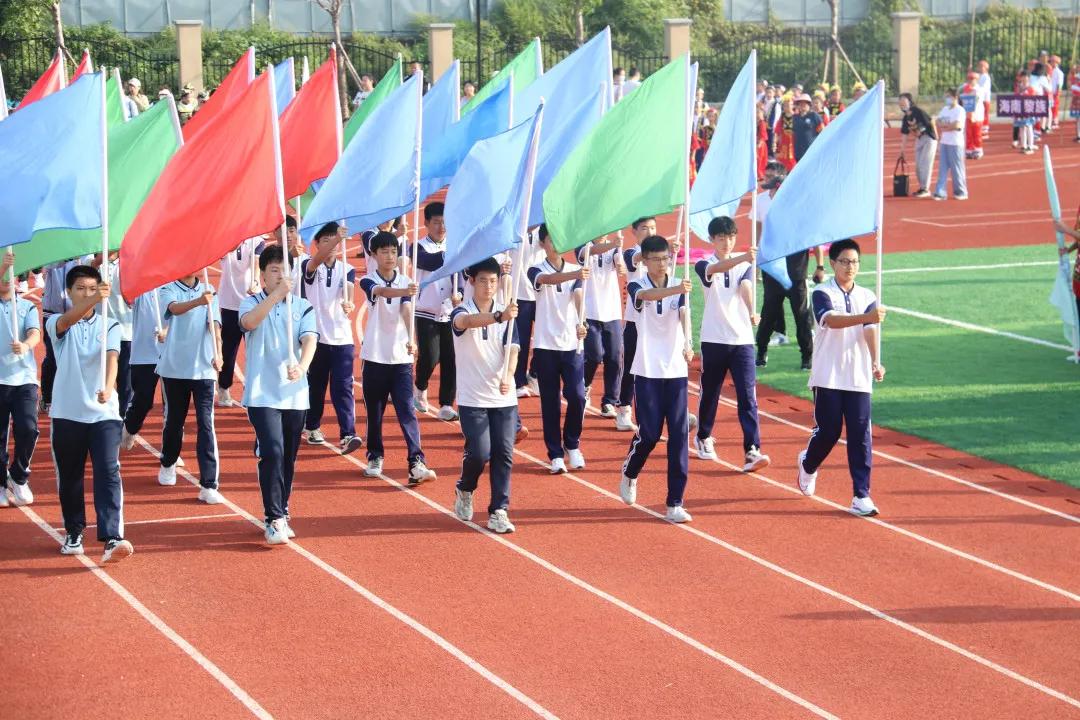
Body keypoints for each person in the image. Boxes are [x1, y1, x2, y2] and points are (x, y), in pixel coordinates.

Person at [47, 265, 132, 563]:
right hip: (67, 412)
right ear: (68, 293)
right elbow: (70, 318)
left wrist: (109, 388)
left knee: (108, 470)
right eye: (80, 288)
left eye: (92, 288)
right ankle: (74, 531)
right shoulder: (57, 322)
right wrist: (95, 300)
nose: (86, 293)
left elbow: (113, 358)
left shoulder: (110, 325)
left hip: (103, 413)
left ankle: (112, 537)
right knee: (70, 477)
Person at [797, 239, 886, 517]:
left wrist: (875, 360)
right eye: (845, 261)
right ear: (833, 263)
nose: (851, 267)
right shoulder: (822, 292)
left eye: (855, 262)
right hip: (828, 374)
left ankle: (861, 494)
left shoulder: (868, 295)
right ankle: (808, 464)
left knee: (861, 435)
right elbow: (831, 321)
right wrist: (866, 316)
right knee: (830, 431)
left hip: (858, 376)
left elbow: (870, 329)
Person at [239, 246, 318, 545]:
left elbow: (309, 340)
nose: (281, 276)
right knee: (272, 451)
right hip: (262, 394)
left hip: (295, 395)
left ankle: (281, 510)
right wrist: (275, 296)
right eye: (274, 270)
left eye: (285, 270)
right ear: (262, 275)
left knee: (288, 457)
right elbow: (248, 323)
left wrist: (302, 366)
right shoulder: (251, 302)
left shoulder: (302, 307)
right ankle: (273, 518)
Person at [617, 235, 694, 524]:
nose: (662, 264)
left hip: (675, 370)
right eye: (656, 259)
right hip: (647, 368)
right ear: (645, 260)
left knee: (678, 436)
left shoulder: (679, 284)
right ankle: (630, 472)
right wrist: (677, 288)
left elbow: (685, 314)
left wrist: (688, 343)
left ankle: (675, 501)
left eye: (666, 258)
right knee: (649, 434)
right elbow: (646, 299)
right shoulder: (637, 284)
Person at [358, 232, 436, 482]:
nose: (390, 256)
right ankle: (375, 455)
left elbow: (404, 308)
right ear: (374, 255)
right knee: (375, 411)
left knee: (407, 411)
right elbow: (380, 291)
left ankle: (416, 461)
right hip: (374, 355)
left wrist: (411, 338)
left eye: (393, 251)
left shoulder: (405, 280)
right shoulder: (367, 280)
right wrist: (405, 289)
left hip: (400, 358)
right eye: (384, 252)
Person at [693, 217, 769, 472]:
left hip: (742, 340)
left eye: (731, 237)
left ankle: (752, 449)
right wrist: (744, 257)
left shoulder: (744, 264)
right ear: (712, 240)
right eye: (722, 238)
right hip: (714, 338)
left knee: (748, 396)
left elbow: (745, 286)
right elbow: (717, 270)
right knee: (711, 391)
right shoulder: (704, 264)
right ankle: (703, 435)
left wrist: (751, 310)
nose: (727, 242)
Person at [450, 258, 520, 534]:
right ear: (471, 281)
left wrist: (508, 376)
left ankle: (499, 510)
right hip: (472, 397)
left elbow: (512, 349)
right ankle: (465, 488)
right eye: (483, 281)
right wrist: (497, 317)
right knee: (479, 453)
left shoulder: (508, 314)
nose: (489, 287)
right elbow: (466, 322)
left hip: (503, 396)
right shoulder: (461, 311)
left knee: (504, 453)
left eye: (493, 281)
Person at [156, 271, 224, 503]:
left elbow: (214, 325)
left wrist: (219, 354)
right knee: (175, 420)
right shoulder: (168, 289)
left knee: (206, 423)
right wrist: (199, 301)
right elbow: (174, 309)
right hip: (175, 367)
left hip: (204, 367)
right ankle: (168, 462)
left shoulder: (209, 289)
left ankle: (209, 484)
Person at [528, 225, 588, 474]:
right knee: (550, 401)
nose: (556, 245)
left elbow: (577, 298)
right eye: (551, 241)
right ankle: (555, 453)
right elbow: (547, 281)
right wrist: (575, 275)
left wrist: (581, 322)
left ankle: (572, 444)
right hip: (544, 345)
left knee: (577, 396)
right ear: (542, 244)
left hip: (571, 344)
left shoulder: (576, 270)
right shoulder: (535, 270)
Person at [300, 222, 362, 454]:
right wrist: (337, 239)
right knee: (316, 386)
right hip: (316, 337)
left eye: (333, 240)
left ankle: (348, 433)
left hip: (342, 337)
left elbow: (348, 292)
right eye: (325, 240)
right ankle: (312, 426)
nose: (332, 245)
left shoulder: (346, 268)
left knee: (343, 387)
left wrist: (349, 302)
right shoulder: (310, 266)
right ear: (317, 244)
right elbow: (316, 260)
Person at [754, 163, 821, 370]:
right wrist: (758, 264)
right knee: (768, 314)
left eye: (777, 185)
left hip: (796, 271)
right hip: (772, 269)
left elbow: (814, 238)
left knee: (802, 316)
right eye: (772, 187)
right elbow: (760, 236)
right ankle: (761, 351)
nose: (774, 190)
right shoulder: (764, 205)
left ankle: (807, 357)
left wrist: (820, 265)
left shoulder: (801, 207)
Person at [411, 202, 460, 421]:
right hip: (426, 311)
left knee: (452, 358)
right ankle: (420, 387)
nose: (441, 227)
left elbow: (460, 276)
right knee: (430, 356)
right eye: (437, 222)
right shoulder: (418, 248)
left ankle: (446, 404)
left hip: (449, 311)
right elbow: (430, 263)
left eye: (445, 222)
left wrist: (458, 291)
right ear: (426, 224)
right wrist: (456, 254)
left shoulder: (455, 247)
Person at [0, 251, 40, 508]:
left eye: (9, 275)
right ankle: (1, 485)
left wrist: (25, 346)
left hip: (24, 378)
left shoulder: (25, 306)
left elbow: (35, 333)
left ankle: (18, 475)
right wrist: (3, 265)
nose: (6, 278)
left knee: (28, 428)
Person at [616, 216, 657, 432]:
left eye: (653, 227)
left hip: (657, 322)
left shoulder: (662, 256)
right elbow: (639, 258)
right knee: (632, 366)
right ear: (634, 231)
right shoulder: (631, 253)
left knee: (654, 368)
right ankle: (623, 407)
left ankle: (651, 412)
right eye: (644, 228)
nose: (650, 232)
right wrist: (663, 251)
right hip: (635, 321)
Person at [579, 234, 624, 418]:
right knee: (595, 355)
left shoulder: (615, 248)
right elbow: (590, 252)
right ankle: (585, 385)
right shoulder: (583, 246)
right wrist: (613, 245)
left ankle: (609, 401)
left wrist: (619, 261)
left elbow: (619, 264)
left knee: (614, 357)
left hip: (611, 311)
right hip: (589, 312)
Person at [216, 235, 263, 407]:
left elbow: (257, 263)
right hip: (229, 303)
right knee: (229, 351)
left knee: (254, 350)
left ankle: (250, 390)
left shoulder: (257, 242)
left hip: (250, 302)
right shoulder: (224, 238)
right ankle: (224, 386)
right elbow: (219, 254)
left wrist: (256, 280)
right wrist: (230, 242)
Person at [120, 286, 167, 451]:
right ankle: (130, 428)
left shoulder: (175, 287)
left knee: (172, 406)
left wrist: (167, 330)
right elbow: (127, 297)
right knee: (143, 401)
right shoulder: (142, 286)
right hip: (144, 353)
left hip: (171, 354)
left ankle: (170, 451)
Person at [513, 227, 545, 397]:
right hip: (519, 292)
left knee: (547, 336)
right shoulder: (517, 223)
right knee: (522, 340)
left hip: (542, 291)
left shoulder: (545, 225)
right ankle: (518, 381)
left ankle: (534, 373)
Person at [898, 93, 938, 198]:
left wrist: (936, 135)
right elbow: (904, 134)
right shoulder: (906, 118)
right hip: (919, 140)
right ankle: (922, 187)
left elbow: (931, 121)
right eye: (900, 101)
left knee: (925, 164)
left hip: (929, 138)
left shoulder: (918, 111)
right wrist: (902, 150)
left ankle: (925, 189)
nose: (902, 103)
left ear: (910, 101)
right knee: (918, 166)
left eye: (904, 100)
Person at [934, 89, 968, 200]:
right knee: (942, 168)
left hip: (955, 143)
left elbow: (957, 125)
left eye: (949, 96)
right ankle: (940, 192)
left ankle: (960, 191)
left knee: (956, 168)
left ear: (955, 97)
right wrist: (947, 126)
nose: (947, 99)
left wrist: (945, 127)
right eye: (946, 96)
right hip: (944, 142)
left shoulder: (960, 110)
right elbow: (938, 122)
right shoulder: (945, 109)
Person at [960, 72, 984, 160]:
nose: (970, 81)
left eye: (973, 79)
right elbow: (961, 98)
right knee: (968, 133)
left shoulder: (979, 90)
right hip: (967, 115)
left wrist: (970, 91)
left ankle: (978, 150)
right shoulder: (964, 89)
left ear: (976, 80)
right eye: (969, 79)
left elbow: (977, 100)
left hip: (977, 116)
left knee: (976, 133)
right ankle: (969, 150)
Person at [792, 93, 823, 163]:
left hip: (811, 149)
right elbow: (793, 132)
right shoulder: (795, 117)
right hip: (798, 150)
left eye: (805, 104)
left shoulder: (814, 116)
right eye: (800, 104)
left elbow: (822, 132)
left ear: (809, 105)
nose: (802, 106)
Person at [1014, 71, 1038, 155]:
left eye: (1025, 77)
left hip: (1028, 110)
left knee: (1028, 127)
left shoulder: (1031, 88)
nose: (1024, 78)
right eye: (1022, 77)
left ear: (1028, 78)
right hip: (1020, 111)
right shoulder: (1019, 87)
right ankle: (1023, 145)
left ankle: (1030, 146)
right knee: (1021, 127)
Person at [772, 95, 796, 171]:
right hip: (784, 143)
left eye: (788, 105)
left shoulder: (796, 116)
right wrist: (774, 143)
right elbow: (777, 131)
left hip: (794, 142)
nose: (786, 107)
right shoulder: (782, 117)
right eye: (785, 105)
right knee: (782, 161)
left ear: (793, 106)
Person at [976, 59, 993, 138]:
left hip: (985, 99)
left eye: (981, 66)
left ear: (985, 68)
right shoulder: (980, 76)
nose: (979, 68)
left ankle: (985, 131)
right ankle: (982, 130)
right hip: (980, 99)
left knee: (985, 115)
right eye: (979, 66)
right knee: (981, 114)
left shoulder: (986, 77)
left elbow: (983, 88)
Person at [1050, 56, 1065, 129]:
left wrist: (1057, 92)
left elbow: (1059, 84)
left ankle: (1055, 122)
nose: (1052, 63)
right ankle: (1051, 121)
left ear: (1057, 63)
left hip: (1055, 92)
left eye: (1053, 61)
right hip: (1050, 92)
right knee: (1050, 107)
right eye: (1051, 61)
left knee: (1055, 107)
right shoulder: (1050, 71)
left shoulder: (1059, 72)